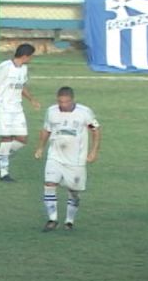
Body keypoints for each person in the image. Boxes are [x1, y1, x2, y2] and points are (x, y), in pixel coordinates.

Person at [34, 87, 101, 231]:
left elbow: (95, 130)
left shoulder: (84, 113)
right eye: (60, 101)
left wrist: (94, 151)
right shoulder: (51, 111)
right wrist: (40, 147)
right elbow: (47, 130)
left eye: (66, 102)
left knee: (73, 191)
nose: (63, 105)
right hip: (55, 156)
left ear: (72, 100)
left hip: (76, 161)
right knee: (49, 184)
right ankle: (52, 219)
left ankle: (69, 221)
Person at [0, 43, 40, 182]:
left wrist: (32, 99)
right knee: (6, 138)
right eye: (31, 56)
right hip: (3, 108)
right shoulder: (5, 67)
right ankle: (4, 173)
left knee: (22, 139)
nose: (31, 59)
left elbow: (21, 86)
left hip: (17, 108)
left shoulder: (24, 69)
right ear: (25, 56)